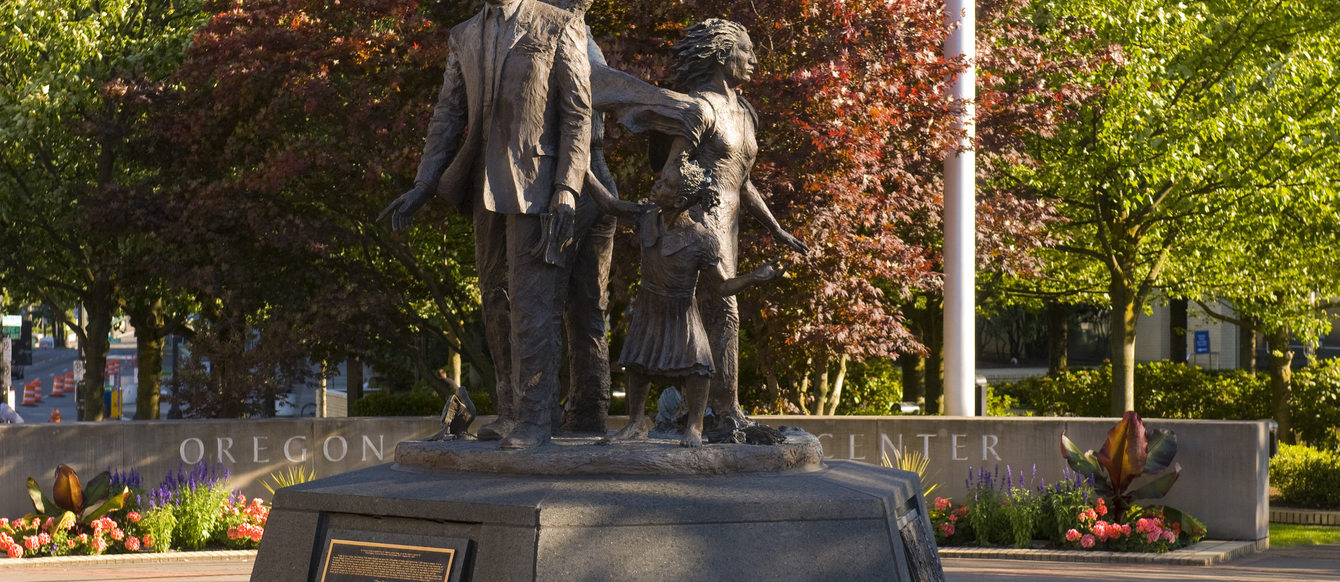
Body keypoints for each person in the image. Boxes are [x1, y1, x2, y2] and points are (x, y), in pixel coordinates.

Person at [382, 0, 592, 449]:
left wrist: (567, 190)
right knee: (494, 302)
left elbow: (577, 116)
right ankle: (510, 409)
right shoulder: (464, 35)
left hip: (538, 188)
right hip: (483, 186)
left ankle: (536, 419)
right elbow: (448, 114)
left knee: (531, 303)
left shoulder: (557, 23)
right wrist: (424, 183)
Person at [652, 20, 809, 428]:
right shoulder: (699, 108)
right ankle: (720, 410)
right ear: (722, 56)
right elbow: (672, 171)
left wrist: (775, 228)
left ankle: (708, 409)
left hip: (730, 229)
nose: (754, 60)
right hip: (700, 227)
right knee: (722, 312)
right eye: (746, 51)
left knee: (716, 315)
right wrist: (679, 222)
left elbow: (742, 179)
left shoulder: (746, 113)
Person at [585, 160, 782, 447]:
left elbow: (723, 286)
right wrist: (584, 171)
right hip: (649, 305)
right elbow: (610, 204)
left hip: (681, 310)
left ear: (679, 200)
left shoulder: (702, 239)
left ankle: (696, 424)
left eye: (665, 184)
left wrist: (756, 276)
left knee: (697, 366)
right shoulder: (647, 215)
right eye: (661, 179)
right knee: (637, 362)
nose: (657, 185)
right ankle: (635, 422)